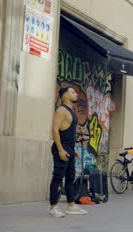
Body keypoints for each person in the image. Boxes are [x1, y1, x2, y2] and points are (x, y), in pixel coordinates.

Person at [49, 86, 88, 217]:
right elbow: (55, 130)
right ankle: (53, 207)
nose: (76, 94)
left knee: (70, 178)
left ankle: (71, 205)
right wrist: (60, 150)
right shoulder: (61, 110)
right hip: (62, 149)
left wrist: (76, 143)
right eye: (72, 92)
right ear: (65, 95)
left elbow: (67, 132)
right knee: (58, 178)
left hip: (69, 149)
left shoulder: (71, 110)